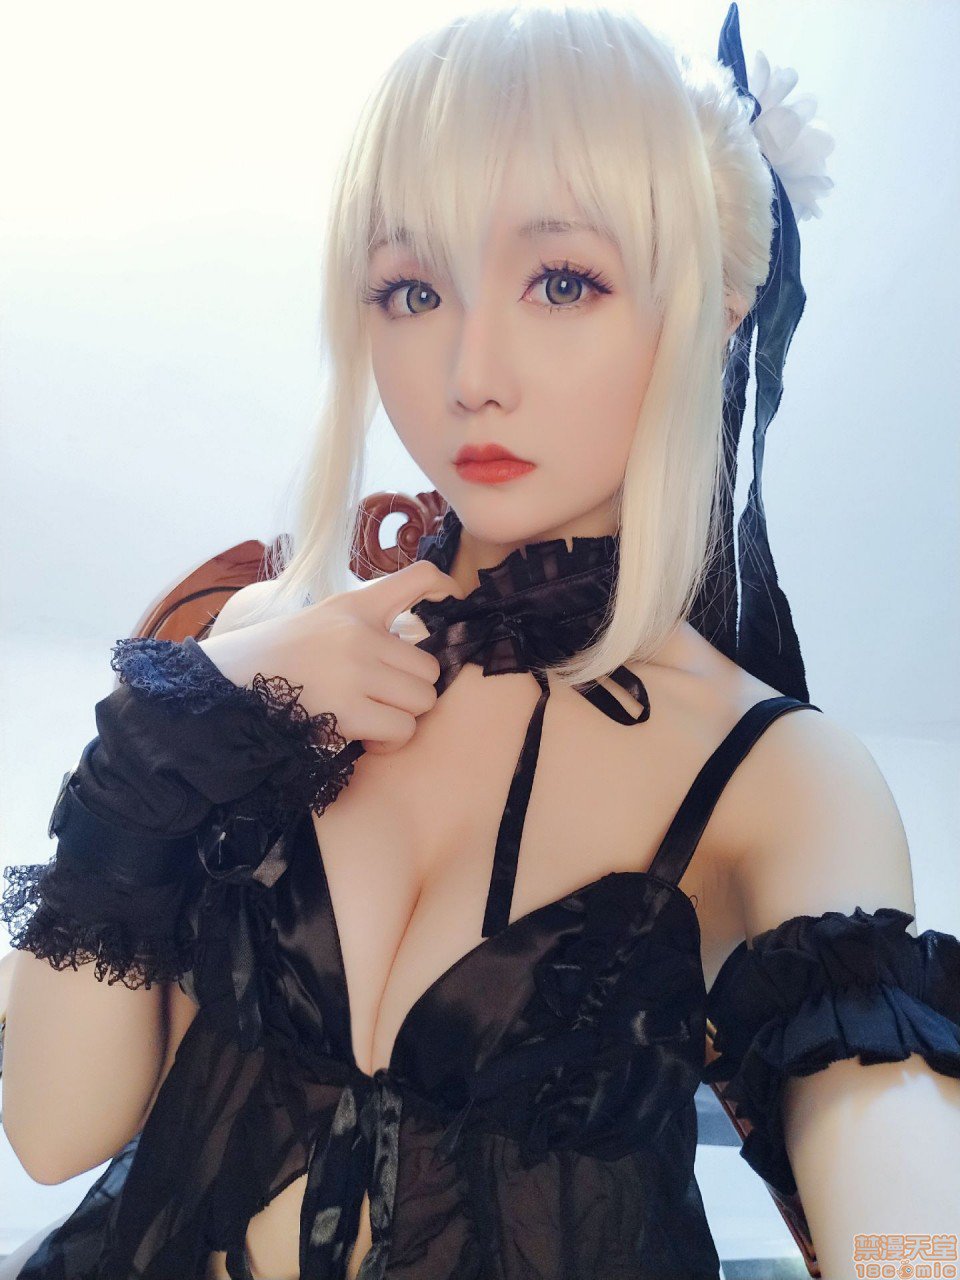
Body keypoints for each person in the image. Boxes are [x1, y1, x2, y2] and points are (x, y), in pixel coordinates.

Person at [2, 5, 958, 1279]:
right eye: (413, 288)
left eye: (563, 281)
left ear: (718, 309)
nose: (470, 371)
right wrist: (176, 721)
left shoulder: (778, 774)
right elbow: (54, 1129)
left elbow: (900, 1187)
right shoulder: (253, 651)